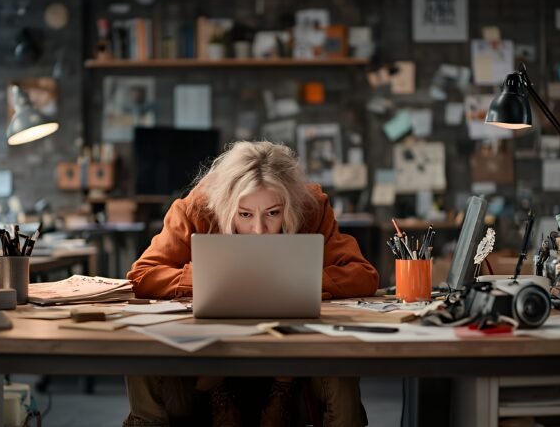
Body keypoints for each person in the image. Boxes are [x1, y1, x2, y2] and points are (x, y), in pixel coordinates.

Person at [124, 141, 379, 427]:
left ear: (290, 206)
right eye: (245, 214)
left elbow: (363, 274)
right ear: (225, 205)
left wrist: (297, 277)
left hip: (294, 363)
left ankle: (282, 390)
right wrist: (214, 275)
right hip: (207, 364)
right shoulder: (196, 208)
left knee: (341, 364)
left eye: (273, 213)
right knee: (140, 358)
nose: (259, 230)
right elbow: (142, 275)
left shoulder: (312, 207)